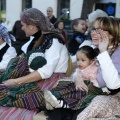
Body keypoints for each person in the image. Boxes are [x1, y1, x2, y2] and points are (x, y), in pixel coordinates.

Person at [0, 8, 68, 119]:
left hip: (49, 83)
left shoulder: (53, 40)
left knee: (6, 92)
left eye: (23, 25)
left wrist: (16, 81)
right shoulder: (34, 40)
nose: (22, 28)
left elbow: (46, 72)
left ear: (31, 26)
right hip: (33, 79)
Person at [76, 16, 120, 119]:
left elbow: (113, 85)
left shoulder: (116, 52)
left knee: (96, 102)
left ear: (111, 35)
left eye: (98, 31)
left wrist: (104, 52)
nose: (93, 33)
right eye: (93, 29)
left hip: (113, 98)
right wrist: (77, 78)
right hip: (93, 92)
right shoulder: (94, 48)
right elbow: (80, 68)